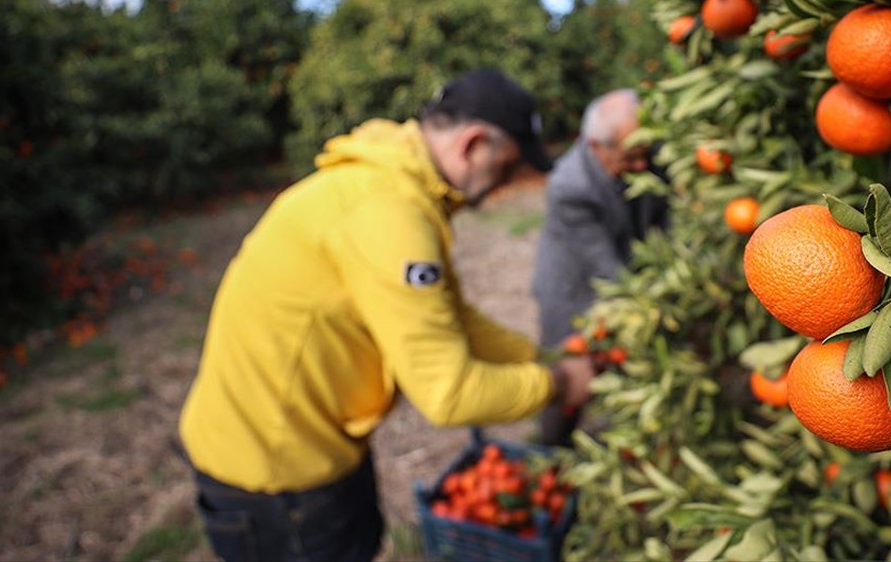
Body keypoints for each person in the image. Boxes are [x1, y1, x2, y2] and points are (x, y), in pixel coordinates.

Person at [178, 68, 595, 562]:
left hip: (314, 443)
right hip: (275, 476)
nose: (505, 184)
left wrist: (537, 355)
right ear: (473, 145)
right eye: (507, 168)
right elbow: (449, 394)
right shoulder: (389, 212)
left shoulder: (396, 188)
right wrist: (558, 383)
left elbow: (453, 316)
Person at [531, 88, 669, 446]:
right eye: (631, 158)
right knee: (569, 371)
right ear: (596, 147)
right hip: (571, 291)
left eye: (645, 155)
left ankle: (622, 440)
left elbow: (662, 220)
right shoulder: (570, 186)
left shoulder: (645, 156)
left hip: (620, 270)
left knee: (623, 364)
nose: (642, 166)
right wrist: (653, 300)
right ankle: (550, 449)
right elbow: (604, 265)